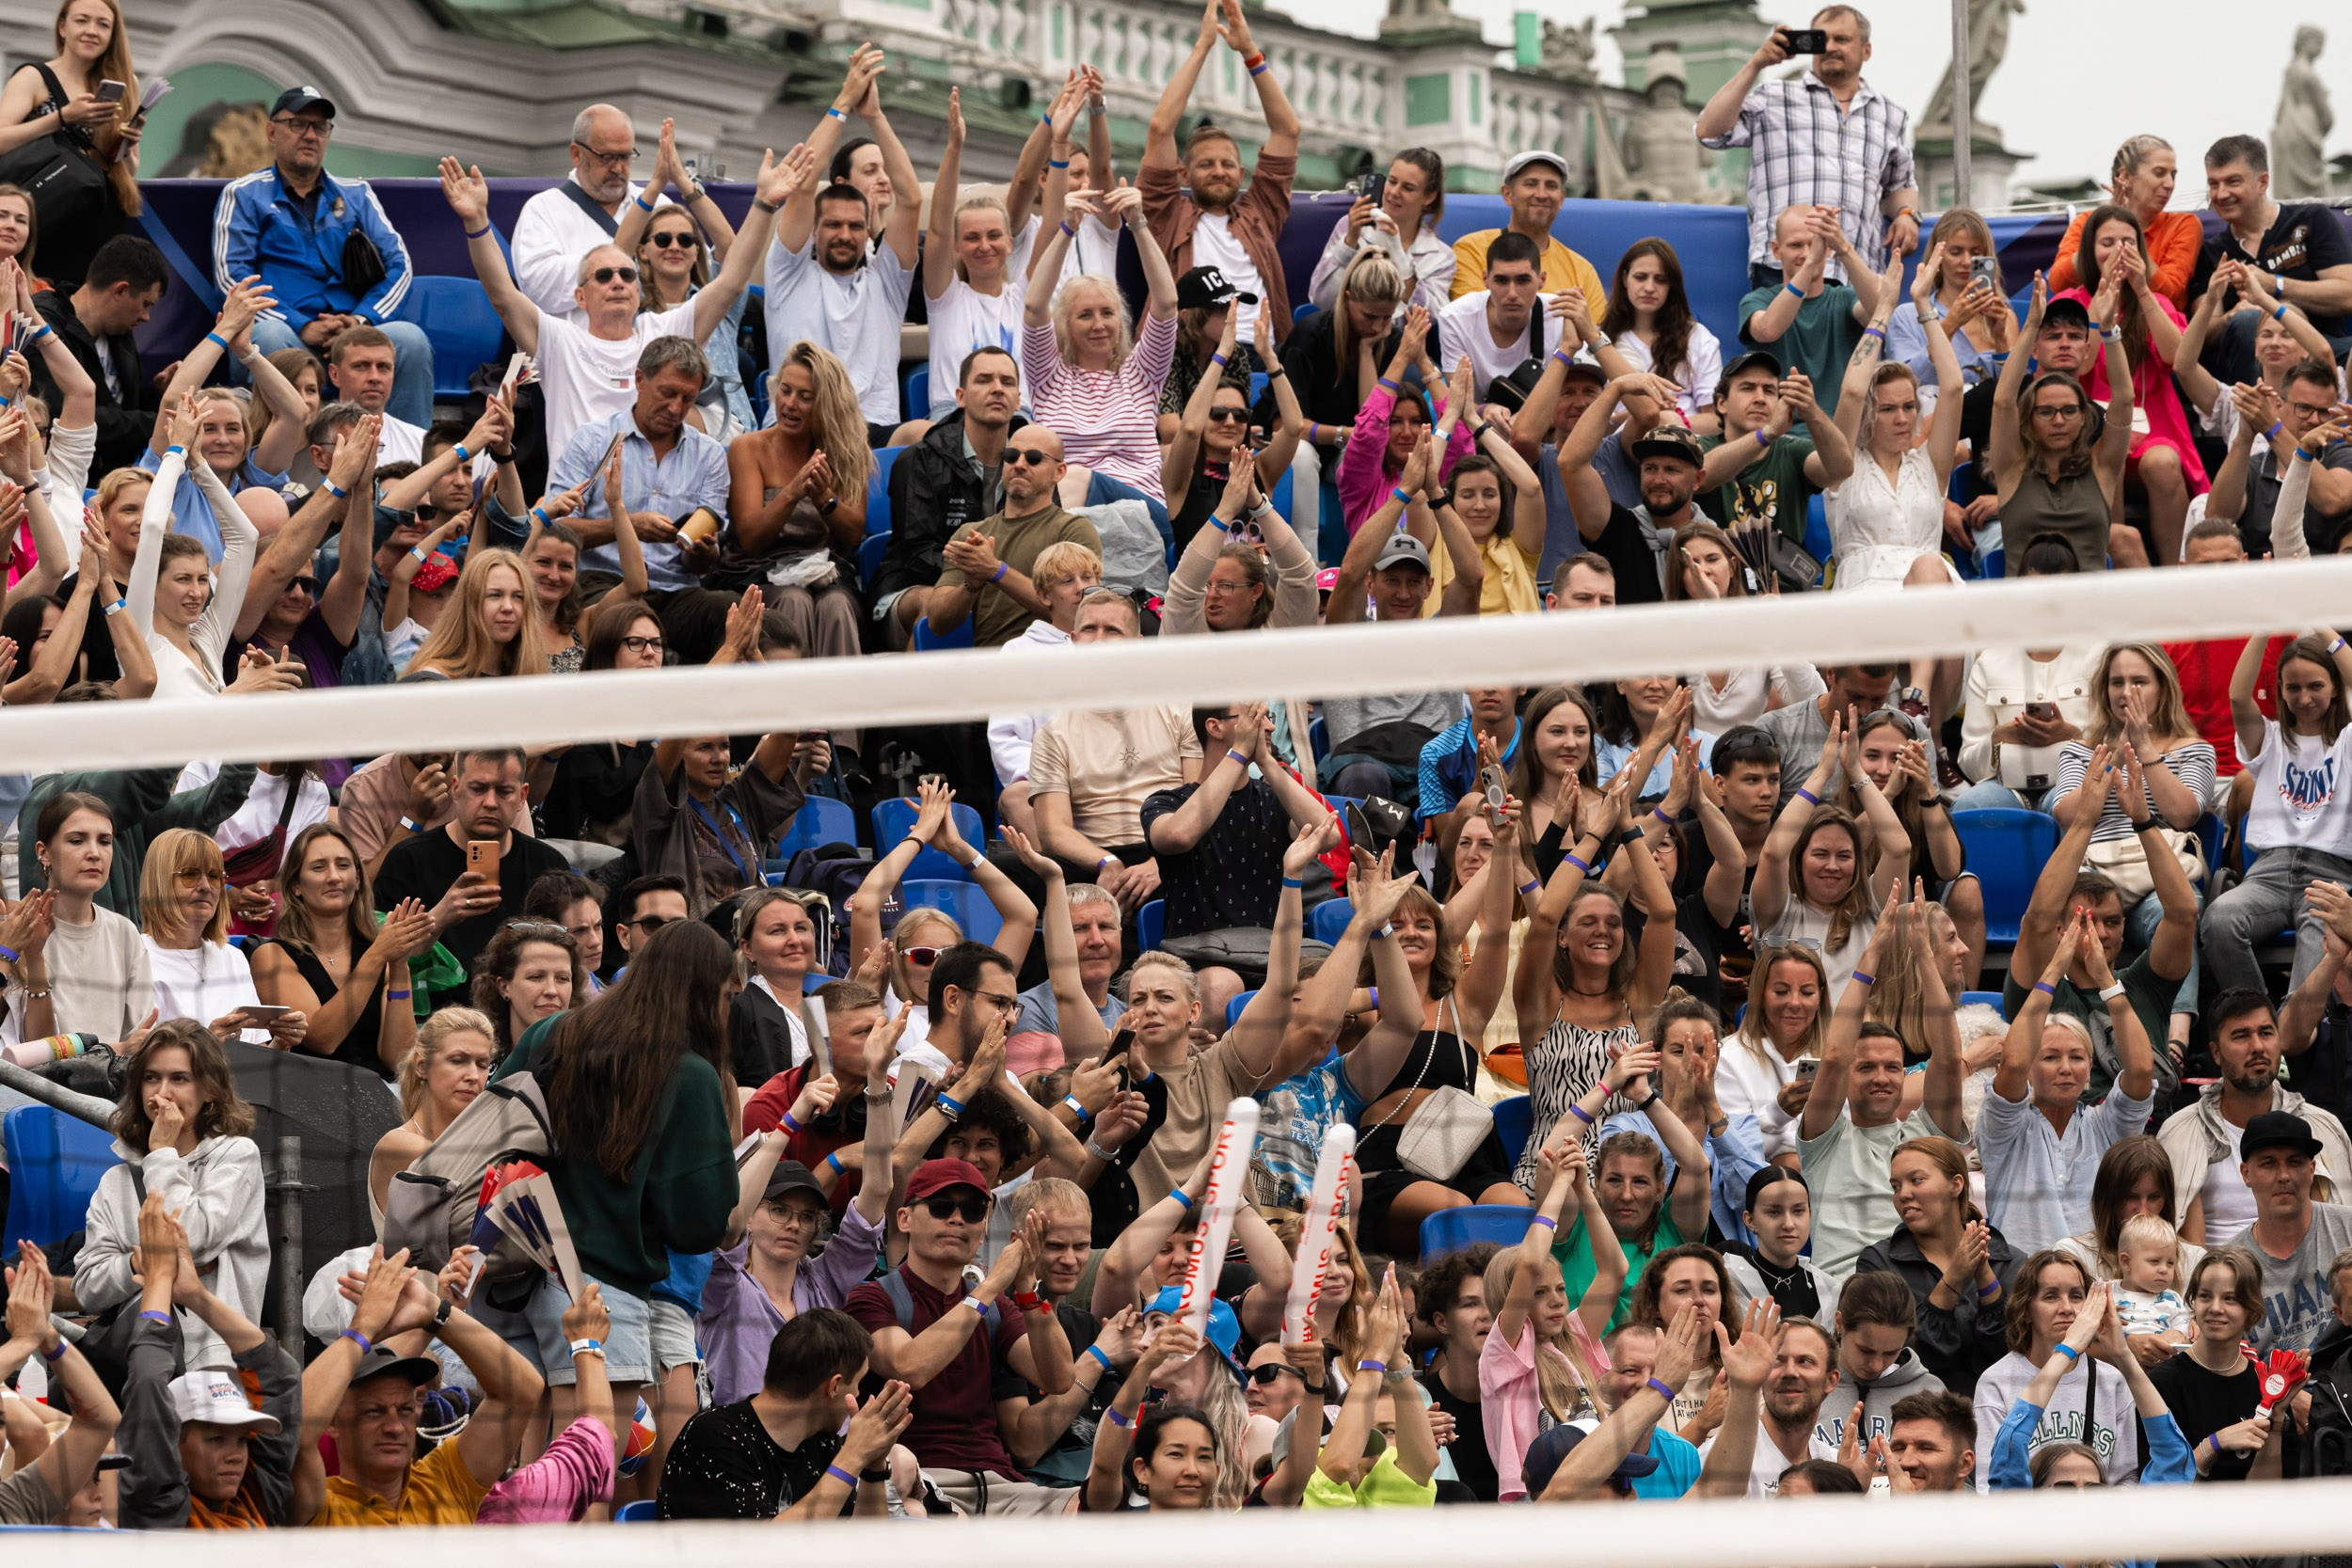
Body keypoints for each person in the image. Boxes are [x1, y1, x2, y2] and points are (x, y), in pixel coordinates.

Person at [492, 921, 737, 1444]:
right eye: (724, 995)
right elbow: (700, 1223)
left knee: (526, 1477)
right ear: (701, 992)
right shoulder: (690, 1074)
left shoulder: (550, 1032)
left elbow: (487, 1132)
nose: (727, 1010)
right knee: (587, 1485)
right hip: (604, 1292)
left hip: (514, 1275)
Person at [440, 145, 793, 457]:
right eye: (604, 276)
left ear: (639, 291)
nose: (618, 283)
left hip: (648, 508)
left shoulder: (662, 334)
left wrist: (764, 204)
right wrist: (476, 221)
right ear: (580, 296)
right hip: (574, 512)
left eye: (627, 275)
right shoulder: (559, 339)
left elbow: (731, 279)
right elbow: (502, 294)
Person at [845, 1158, 1074, 1513]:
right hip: (921, 1481)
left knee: (1093, 1509)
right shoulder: (872, 1297)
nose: (956, 1219)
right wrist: (993, 1283)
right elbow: (910, 1368)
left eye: (972, 1210)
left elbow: (1058, 1378)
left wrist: (1027, 1287)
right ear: (904, 1219)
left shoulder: (996, 1306)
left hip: (1001, 1484)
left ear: (983, 1227)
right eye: (940, 1207)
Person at [213, 87, 433, 431]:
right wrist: (302, 324)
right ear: (272, 131)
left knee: (410, 340)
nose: (311, 135)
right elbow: (233, 279)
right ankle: (275, 463)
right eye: (298, 124)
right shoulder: (244, 193)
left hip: (353, 331)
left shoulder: (357, 194)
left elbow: (399, 265)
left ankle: (408, 468)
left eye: (320, 127)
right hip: (287, 329)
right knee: (268, 337)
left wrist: (361, 321)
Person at [704, 1012, 895, 1406]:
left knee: (904, 1460)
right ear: (752, 1217)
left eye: (807, 1216)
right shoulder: (722, 1284)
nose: (794, 1224)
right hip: (744, 1448)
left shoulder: (823, 1281)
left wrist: (877, 1080)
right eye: (779, 1210)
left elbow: (878, 1188)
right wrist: (790, 1121)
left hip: (819, 1443)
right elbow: (729, 1223)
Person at [1512, 776, 1680, 1192]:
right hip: (1552, 1174)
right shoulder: (1540, 1001)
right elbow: (1547, 915)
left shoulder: (1637, 1002)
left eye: (1612, 923)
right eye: (1587, 922)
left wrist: (1628, 829)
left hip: (1630, 1181)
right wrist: (1596, 835)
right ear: (1563, 939)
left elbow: (1663, 912)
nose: (1602, 931)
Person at [295, 1246, 548, 1524]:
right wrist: (363, 1328)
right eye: (374, 1412)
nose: (394, 1427)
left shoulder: (445, 1483)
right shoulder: (317, 1509)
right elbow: (294, 1430)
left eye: (405, 1409)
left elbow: (523, 1389)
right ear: (333, 1421)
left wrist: (436, 1309)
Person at [74, 1019, 268, 1373]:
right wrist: (139, 1264)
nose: (161, 1093)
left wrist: (161, 1153)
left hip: (215, 1360)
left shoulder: (237, 1154)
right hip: (135, 1360)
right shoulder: (116, 1179)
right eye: (151, 1078)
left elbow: (192, 1238)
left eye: (179, 1078)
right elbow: (87, 1287)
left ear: (209, 1089)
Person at [544, 337, 740, 666]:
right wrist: (628, 527)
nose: (676, 408)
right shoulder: (594, 441)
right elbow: (556, 531)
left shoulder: (709, 456)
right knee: (631, 618)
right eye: (667, 393)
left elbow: (704, 564)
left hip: (677, 590)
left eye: (687, 399)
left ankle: (712, 710)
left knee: (730, 611)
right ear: (639, 380)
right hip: (604, 582)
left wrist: (702, 552)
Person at [1799, 895, 1965, 1275]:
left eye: (1893, 1067)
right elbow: (1837, 1054)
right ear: (1845, 1078)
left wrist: (1923, 954)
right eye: (1867, 1067)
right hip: (1847, 1288)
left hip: (1923, 1290)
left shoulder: (1927, 1134)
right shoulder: (1824, 1140)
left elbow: (1949, 1057)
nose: (1881, 1077)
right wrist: (1872, 953)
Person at [116, 1193, 300, 1529]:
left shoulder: (258, 1497)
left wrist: (196, 1296)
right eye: (216, 1439)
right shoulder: (162, 1513)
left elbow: (282, 1376)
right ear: (172, 1444)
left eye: (242, 1440)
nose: (235, 1455)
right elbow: (146, 1384)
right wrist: (157, 1281)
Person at [1980, 905, 2158, 1252]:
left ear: (2090, 1069)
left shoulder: (2105, 1127)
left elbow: (2140, 1070)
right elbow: (2013, 1063)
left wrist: (2105, 979)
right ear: (2031, 1069)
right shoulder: (2005, 1128)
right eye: (2049, 1057)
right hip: (2021, 1281)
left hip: (2096, 1281)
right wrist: (2055, 967)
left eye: (2077, 1057)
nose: (2065, 1067)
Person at [1695, 10, 1920, 284]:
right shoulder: (1775, 97)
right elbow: (1709, 132)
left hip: (1858, 275)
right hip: (1784, 269)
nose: (1831, 46)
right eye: (1821, 39)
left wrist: (1907, 215)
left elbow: (1900, 183)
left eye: (1842, 39)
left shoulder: (1890, 114)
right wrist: (1756, 63)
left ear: (1866, 50)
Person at [768, 48, 921, 438]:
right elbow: (802, 183)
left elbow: (911, 198)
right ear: (813, 230)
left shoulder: (886, 282)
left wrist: (875, 117)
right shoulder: (788, 273)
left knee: (921, 436)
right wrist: (843, 102)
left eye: (855, 226)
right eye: (832, 224)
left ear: (868, 230)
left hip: (873, 428)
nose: (844, 234)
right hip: (798, 426)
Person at [1140, 0, 1302, 341]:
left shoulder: (1260, 212)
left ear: (1241, 173)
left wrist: (1250, 52)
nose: (1218, 171)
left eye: (1227, 164)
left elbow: (1287, 131)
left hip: (1258, 355)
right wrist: (1203, 47)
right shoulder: (1167, 214)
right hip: (1190, 354)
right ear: (1183, 175)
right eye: (1206, 164)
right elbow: (1160, 129)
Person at [658, 1307, 912, 1520]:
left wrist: (873, 1465)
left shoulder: (820, 1443)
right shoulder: (714, 1437)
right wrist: (852, 1456)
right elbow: (769, 1551)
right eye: (858, 1382)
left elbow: (867, 1550)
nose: (857, 1394)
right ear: (834, 1386)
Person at [2055, 206, 2204, 565]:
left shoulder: (2156, 302)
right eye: (2107, 243)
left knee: (2164, 463)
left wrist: (2143, 291)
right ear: (2090, 252)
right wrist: (2099, 312)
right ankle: (2116, 557)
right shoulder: (2069, 303)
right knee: (2112, 449)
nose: (2118, 251)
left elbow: (2177, 359)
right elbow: (2079, 364)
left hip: (2156, 430)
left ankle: (2177, 572)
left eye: (2128, 242)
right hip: (2094, 429)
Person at [2206, 631, 2352, 996]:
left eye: (2315, 685)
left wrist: (2320, 626)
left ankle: (2292, 1041)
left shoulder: (2348, 740)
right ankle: (2263, 1027)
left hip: (2330, 877)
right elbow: (2239, 695)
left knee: (2314, 962)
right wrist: (2264, 625)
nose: (2303, 698)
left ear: (2335, 687)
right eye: (2293, 687)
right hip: (2268, 873)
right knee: (2219, 921)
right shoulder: (2269, 738)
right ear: (2281, 691)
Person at [1483, 1144, 1626, 1498]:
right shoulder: (1504, 1351)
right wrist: (1559, 1184)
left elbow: (1614, 1271)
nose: (1557, 1301)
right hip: (1534, 1499)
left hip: (1592, 1484)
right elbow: (1530, 1264)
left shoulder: (1572, 1339)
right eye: (1539, 1293)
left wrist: (1584, 1189)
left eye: (1560, 1289)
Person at [373, 748, 568, 1006]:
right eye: (478, 788)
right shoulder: (408, 861)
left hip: (526, 1012)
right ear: (455, 789)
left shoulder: (549, 865)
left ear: (522, 797)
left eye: (504, 791)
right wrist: (440, 917)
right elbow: (380, 960)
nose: (489, 802)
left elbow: (569, 955)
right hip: (437, 1018)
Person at [1023, 183, 1179, 503]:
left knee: (1077, 478)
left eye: (1107, 313)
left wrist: (1138, 223)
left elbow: (1166, 302)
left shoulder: (1142, 373)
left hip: (1139, 511)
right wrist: (1067, 228)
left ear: (1120, 320)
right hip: (1069, 520)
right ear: (1065, 325)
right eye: (1085, 315)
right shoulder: (1048, 377)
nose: (1098, 325)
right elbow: (1034, 306)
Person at [719, 341, 870, 659]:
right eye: (785, 391)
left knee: (837, 605)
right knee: (794, 601)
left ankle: (847, 706)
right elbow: (750, 539)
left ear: (826, 404)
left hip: (825, 570)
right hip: (758, 573)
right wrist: (792, 493)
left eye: (805, 397)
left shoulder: (847, 452)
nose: (790, 404)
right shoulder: (747, 448)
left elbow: (854, 534)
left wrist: (824, 498)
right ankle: (788, 705)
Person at [1826, 247, 1965, 591]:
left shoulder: (1929, 466)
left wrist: (1923, 304)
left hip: (1933, 598)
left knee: (1931, 567)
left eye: (1909, 407)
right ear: (1868, 415)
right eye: (1887, 409)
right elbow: (1853, 393)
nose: (1902, 418)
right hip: (1866, 603)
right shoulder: (1843, 466)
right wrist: (1884, 308)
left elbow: (1953, 386)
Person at [248, 822, 431, 1077]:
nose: (334, 876)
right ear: (295, 886)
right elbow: (323, 1039)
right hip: (308, 1095)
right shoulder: (273, 956)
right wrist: (377, 955)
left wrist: (399, 966)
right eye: (319, 867)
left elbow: (398, 1061)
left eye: (343, 865)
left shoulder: (383, 956)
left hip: (377, 1095)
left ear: (357, 880)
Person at [616, 119, 758, 442]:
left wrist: (684, 183)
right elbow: (616, 255)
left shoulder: (717, 301)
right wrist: (654, 186)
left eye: (686, 240)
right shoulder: (630, 307)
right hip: (654, 421)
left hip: (727, 426)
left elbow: (731, 248)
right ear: (644, 251)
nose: (675, 247)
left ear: (698, 252)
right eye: (663, 240)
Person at [1989, 273, 2139, 575]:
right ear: (2030, 418)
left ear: (2084, 417)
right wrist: (2031, 324)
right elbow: (2003, 402)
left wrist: (2108, 329)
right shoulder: (2012, 470)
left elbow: (2124, 398)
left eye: (2069, 411)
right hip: (2025, 612)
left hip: (2090, 611)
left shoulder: (2102, 469)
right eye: (2046, 412)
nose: (2058, 420)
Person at [1987, 1279, 2194, 1497]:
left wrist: (2123, 1356)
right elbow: (2009, 1448)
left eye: (2094, 1489)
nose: (2081, 1498)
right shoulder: (2020, 1522)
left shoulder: (2122, 1527)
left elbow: (2175, 1457)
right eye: (2064, 1488)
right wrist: (2068, 1348)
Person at [875, 346, 1025, 642]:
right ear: (960, 397)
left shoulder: (1032, 459)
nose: (997, 389)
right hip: (913, 587)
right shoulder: (919, 460)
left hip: (999, 584)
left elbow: (1049, 535)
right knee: (937, 607)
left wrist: (995, 576)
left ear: (1019, 399)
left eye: (1007, 382)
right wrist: (983, 573)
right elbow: (916, 553)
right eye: (984, 380)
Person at [1753, 712, 1909, 994]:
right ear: (1799, 860)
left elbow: (1899, 847)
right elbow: (1774, 852)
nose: (1833, 866)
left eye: (1845, 856)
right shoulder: (1781, 913)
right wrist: (1822, 773)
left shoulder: (1874, 909)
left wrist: (1857, 773)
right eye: (1820, 854)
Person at [1852, 1135, 2018, 1395]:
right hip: (1914, 1412)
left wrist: (1984, 1277)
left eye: (1916, 1180)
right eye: (1896, 1186)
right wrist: (1953, 1279)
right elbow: (1902, 1357)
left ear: (1956, 1184)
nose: (1903, 1194)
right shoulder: (1879, 1264)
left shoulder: (2010, 1261)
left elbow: (2014, 1355)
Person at [0, 0, 142, 290]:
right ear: (63, 27)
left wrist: (125, 145)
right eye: (82, 21)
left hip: (100, 215)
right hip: (47, 214)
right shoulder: (34, 77)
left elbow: (132, 167)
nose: (92, 31)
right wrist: (63, 117)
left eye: (103, 24)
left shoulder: (124, 83)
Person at [2192, 134, 2352, 385]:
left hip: (2325, 348)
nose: (2221, 194)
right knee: (2248, 321)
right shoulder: (2211, 251)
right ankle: (2260, 421)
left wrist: (2273, 285)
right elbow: (2200, 335)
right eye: (2213, 184)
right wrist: (2229, 317)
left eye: (2233, 182)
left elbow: (2347, 293)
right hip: (2256, 360)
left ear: (2263, 182)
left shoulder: (2311, 219)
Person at [921, 424, 1101, 647]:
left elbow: (1081, 610)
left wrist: (995, 571)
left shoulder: (1073, 529)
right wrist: (971, 585)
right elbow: (937, 622)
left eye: (1034, 458)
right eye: (1011, 456)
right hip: (993, 666)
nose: (1019, 465)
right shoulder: (971, 534)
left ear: (1059, 472)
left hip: (1057, 658)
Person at [126, 398, 259, 699]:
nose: (197, 592)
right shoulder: (139, 637)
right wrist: (176, 452)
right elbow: (152, 528)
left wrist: (198, 462)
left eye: (201, 579)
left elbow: (245, 538)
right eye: (183, 579)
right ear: (153, 586)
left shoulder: (208, 640)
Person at [1971, 1254, 2139, 1489]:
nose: (2067, 1309)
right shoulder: (1996, 1382)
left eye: (2076, 1296)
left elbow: (2126, 1479)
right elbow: (1989, 1485)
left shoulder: (2111, 1381)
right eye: (2050, 1296)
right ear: (2026, 1309)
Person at [1160, 301, 1304, 555]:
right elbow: (1190, 428)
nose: (1229, 421)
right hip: (1203, 590)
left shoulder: (1259, 471)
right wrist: (1222, 353)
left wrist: (1269, 358)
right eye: (1216, 414)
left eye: (1240, 415)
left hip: (1257, 590)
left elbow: (1294, 427)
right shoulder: (1182, 476)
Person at [631, 718, 809, 919]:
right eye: (704, 748)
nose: (718, 758)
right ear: (679, 753)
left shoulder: (739, 801)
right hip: (693, 943)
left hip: (753, 933)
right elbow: (676, 727)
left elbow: (787, 733)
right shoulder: (659, 809)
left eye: (724, 746)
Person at [135, 829, 293, 1048]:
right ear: (159, 882)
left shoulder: (234, 958)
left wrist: (281, 1045)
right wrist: (209, 1044)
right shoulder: (136, 957)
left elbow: (256, 1055)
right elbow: (138, 1060)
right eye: (190, 875)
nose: (205, 886)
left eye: (214, 876)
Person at [0, 1241, 120, 1527]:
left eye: (1, 1421)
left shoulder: (11, 1505)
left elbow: (101, 1423)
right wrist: (23, 1341)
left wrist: (48, 1337)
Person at [1558, 379, 1709, 605]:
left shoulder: (1716, 542)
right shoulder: (1619, 529)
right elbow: (1571, 463)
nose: (1658, 479)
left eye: (1671, 470)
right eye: (1649, 468)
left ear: (1697, 480)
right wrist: (1615, 390)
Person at [510, 103, 664, 322]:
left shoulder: (658, 205)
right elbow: (538, 288)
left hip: (651, 353)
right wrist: (618, 260)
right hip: (572, 354)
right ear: (576, 154)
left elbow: (698, 274)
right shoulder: (543, 209)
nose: (618, 168)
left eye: (625, 156)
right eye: (607, 157)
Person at [28, 231, 164, 475]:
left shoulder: (119, 330)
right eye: (146, 303)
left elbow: (117, 412)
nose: (146, 317)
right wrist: (160, 422)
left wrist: (157, 395)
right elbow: (63, 415)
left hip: (112, 479)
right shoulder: (40, 324)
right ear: (121, 291)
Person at [1733, 207, 1885, 420]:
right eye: (1796, 245)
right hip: (1779, 434)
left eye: (1814, 245)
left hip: (1841, 432)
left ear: (1828, 249)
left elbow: (1879, 313)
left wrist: (1843, 248)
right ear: (1776, 250)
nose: (1806, 253)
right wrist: (1812, 261)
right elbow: (1768, 330)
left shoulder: (1844, 298)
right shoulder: (1759, 300)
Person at [15, 791, 149, 1036]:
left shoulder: (124, 932)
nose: (94, 853)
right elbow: (27, 1049)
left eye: (105, 841)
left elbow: (141, 1039)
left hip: (118, 1073)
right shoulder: (17, 931)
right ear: (43, 852)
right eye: (77, 840)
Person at [2227, 1109, 2352, 1353]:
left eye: (2295, 1162)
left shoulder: (2348, 1228)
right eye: (2268, 1163)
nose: (2284, 1175)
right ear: (2246, 1174)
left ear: (2313, 1168)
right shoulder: (2229, 1264)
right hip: (2267, 1389)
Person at [2150, 1245, 2276, 1481]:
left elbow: (2270, 1497)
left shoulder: (2264, 1386)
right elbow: (2159, 1488)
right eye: (2205, 1296)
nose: (2215, 1308)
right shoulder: (2163, 1383)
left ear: (2251, 1309)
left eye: (2230, 1299)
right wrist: (2214, 1445)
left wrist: (2277, 1418)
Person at [366, 1007, 494, 1214]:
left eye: (482, 1064)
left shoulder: (478, 1142)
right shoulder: (403, 1144)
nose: (473, 1075)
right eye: (458, 1060)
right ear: (422, 1066)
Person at [2048, 136, 2201, 309]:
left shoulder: (2183, 224)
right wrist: (2104, 226)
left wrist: (2129, 229)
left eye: (2173, 175)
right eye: (2159, 173)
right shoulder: (2086, 221)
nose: (2170, 184)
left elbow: (2169, 296)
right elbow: (2058, 284)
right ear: (2125, 176)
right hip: (2094, 327)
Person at [1886, 208, 2015, 412]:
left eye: (1975, 253)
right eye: (1956, 252)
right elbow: (1905, 387)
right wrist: (1950, 324)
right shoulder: (1908, 315)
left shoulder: (2004, 314)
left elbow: (2013, 394)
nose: (1966, 261)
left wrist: (2000, 339)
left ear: (1987, 257)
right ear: (1938, 257)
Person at [1446, 150, 1607, 309]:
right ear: (1508, 194)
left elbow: (1597, 332)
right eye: (1531, 184)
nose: (1542, 194)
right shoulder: (1471, 250)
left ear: (1561, 199)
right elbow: (1473, 320)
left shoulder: (1583, 271)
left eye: (1551, 186)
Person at [1308, 147, 1453, 317]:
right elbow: (1321, 300)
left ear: (1429, 197)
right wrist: (1350, 242)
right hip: (1343, 337)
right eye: (1391, 181)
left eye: (1408, 188)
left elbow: (1432, 317)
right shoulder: (1351, 225)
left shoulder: (1442, 256)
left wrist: (1398, 256)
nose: (1394, 192)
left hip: (1403, 341)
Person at [1816, 1270, 1946, 1453]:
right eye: (1865, 1350)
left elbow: (1959, 1478)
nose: (1876, 1365)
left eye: (1891, 1352)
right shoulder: (1805, 1384)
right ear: (1839, 1324)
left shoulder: (1930, 1392)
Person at [1599, 239, 1722, 426]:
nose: (1649, 287)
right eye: (1640, 277)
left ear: (1671, 286)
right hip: (1619, 446)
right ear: (1625, 279)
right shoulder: (1601, 339)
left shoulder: (1697, 338)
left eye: (1660, 279)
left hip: (1685, 445)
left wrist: (1670, 424)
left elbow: (1715, 420)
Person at [1416, 1242, 1501, 1501]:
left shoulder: (1528, 1397)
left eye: (1496, 1301)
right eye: (1470, 1304)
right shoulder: (1419, 1402)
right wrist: (1412, 1437)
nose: (1487, 1314)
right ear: (1442, 1322)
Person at [1725, 1167, 1844, 1323]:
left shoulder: (1830, 1290)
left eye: (1798, 1211)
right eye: (1774, 1212)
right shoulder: (1727, 1282)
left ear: (1810, 1214)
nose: (1788, 1224)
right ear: (1750, 1220)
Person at [468, 919, 585, 1061]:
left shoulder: (591, 1064)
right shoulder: (478, 1066)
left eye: (562, 978)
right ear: (504, 987)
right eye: (536, 977)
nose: (552, 990)